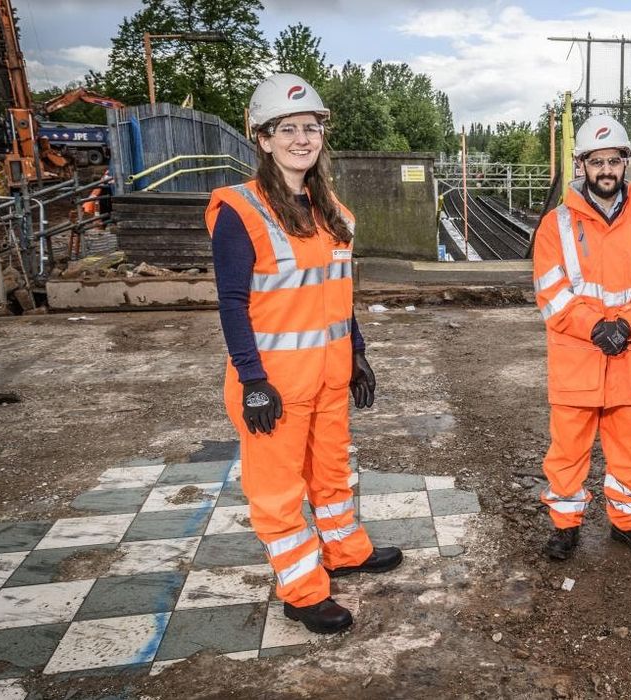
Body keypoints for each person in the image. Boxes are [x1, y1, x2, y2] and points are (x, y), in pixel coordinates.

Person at [206, 74, 402, 634]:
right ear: (262, 139)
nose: (301, 138)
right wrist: (251, 380)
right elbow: (232, 302)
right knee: (279, 490)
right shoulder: (240, 210)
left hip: (329, 373)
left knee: (332, 470)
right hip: (275, 382)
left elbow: (337, 293)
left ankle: (345, 552)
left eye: (310, 128)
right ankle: (302, 589)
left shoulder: (328, 209)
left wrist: (358, 352)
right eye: (286, 128)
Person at [531, 115, 631, 560]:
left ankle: (629, 523)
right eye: (597, 162)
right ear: (582, 166)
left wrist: (626, 325)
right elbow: (551, 291)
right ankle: (565, 526)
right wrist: (595, 326)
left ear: (626, 162)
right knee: (568, 451)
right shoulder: (555, 226)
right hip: (580, 358)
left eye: (614, 160)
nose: (606, 170)